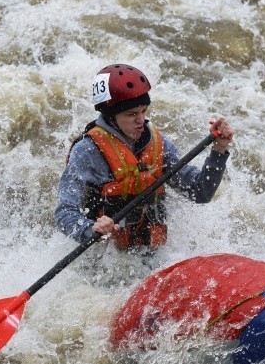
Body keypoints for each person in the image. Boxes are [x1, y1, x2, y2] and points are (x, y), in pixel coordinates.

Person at [54, 63, 234, 252]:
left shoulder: (157, 143)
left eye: (143, 111)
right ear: (111, 116)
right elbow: (64, 212)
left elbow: (201, 193)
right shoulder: (87, 152)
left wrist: (218, 151)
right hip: (102, 259)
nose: (141, 121)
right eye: (131, 114)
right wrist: (90, 230)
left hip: (150, 257)